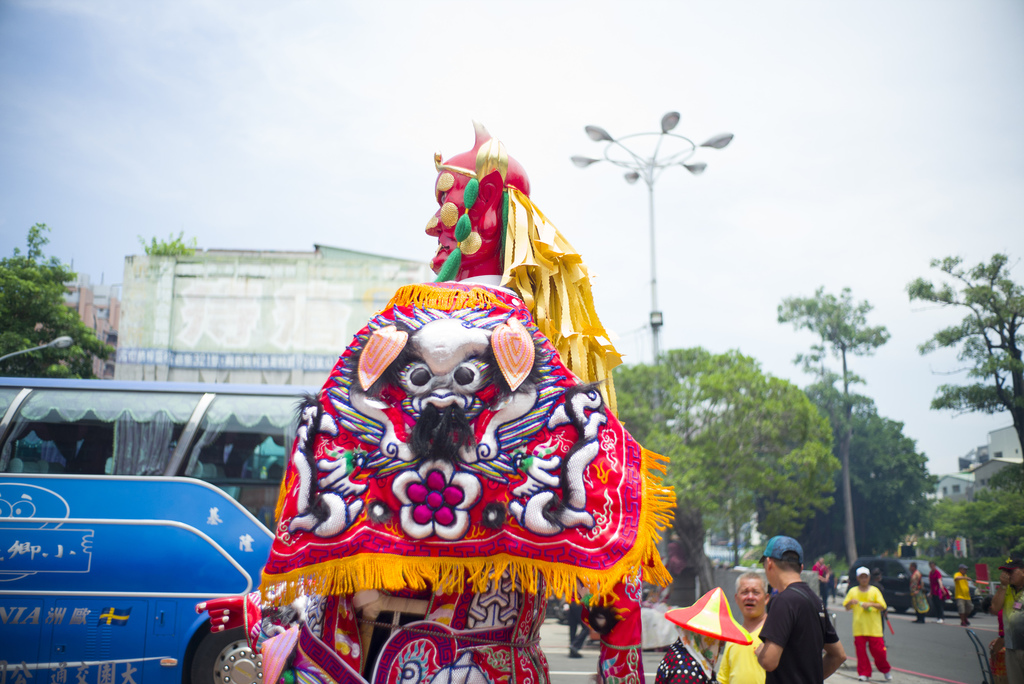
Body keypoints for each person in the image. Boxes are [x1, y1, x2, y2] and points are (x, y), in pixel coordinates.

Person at [194, 124, 676, 684]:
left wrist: (268, 614)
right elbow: (612, 546)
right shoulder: (541, 363)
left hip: (383, 665)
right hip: (496, 667)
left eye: (445, 206)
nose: (431, 226)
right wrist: (620, 670)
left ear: (490, 211)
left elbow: (316, 527)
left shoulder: (387, 337)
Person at [755, 536, 846, 684]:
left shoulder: (782, 601)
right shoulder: (816, 601)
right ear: (801, 567)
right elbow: (838, 655)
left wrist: (760, 653)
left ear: (769, 563)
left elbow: (769, 662)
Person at [657, 587, 753, 684]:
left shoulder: (684, 655)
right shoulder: (687, 671)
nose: (722, 644)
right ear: (703, 637)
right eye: (717, 639)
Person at [717, 572, 769, 684]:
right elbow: (723, 679)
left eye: (756, 592)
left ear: (766, 598)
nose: (750, 597)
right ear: (736, 598)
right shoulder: (733, 637)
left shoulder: (774, 633)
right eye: (745, 592)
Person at [844, 566, 893, 681]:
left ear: (869, 577)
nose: (864, 579)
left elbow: (883, 606)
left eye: (866, 577)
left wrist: (870, 604)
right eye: (861, 577)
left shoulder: (874, 591)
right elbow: (846, 607)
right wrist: (851, 602)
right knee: (861, 653)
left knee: (879, 652)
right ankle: (864, 673)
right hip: (859, 628)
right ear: (858, 578)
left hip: (874, 628)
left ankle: (885, 670)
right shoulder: (853, 591)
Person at [991, 555, 1024, 684]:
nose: (1008, 575)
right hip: (1012, 647)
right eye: (1005, 572)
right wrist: (1003, 587)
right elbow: (995, 607)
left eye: (1011, 571)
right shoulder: (1006, 589)